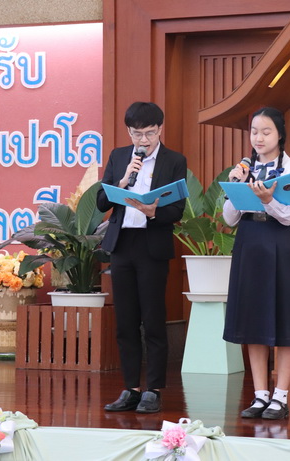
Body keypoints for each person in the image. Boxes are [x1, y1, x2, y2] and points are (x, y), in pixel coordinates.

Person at [96, 101, 187, 414]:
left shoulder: (174, 160)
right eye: (137, 134)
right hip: (123, 245)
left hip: (152, 246)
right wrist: (122, 182)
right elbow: (101, 202)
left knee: (153, 320)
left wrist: (153, 212)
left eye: (149, 133)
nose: (143, 140)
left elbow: (177, 210)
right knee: (125, 321)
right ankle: (131, 388)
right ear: (129, 132)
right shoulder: (119, 156)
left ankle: (154, 390)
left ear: (160, 129)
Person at [222, 106, 290, 420]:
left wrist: (269, 200)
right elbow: (229, 219)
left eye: (266, 131)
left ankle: (280, 397)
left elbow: (289, 216)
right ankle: (260, 396)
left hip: (279, 244)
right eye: (254, 132)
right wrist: (235, 186)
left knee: (284, 320)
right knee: (253, 321)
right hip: (249, 243)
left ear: (280, 134)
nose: (259, 138)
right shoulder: (244, 168)